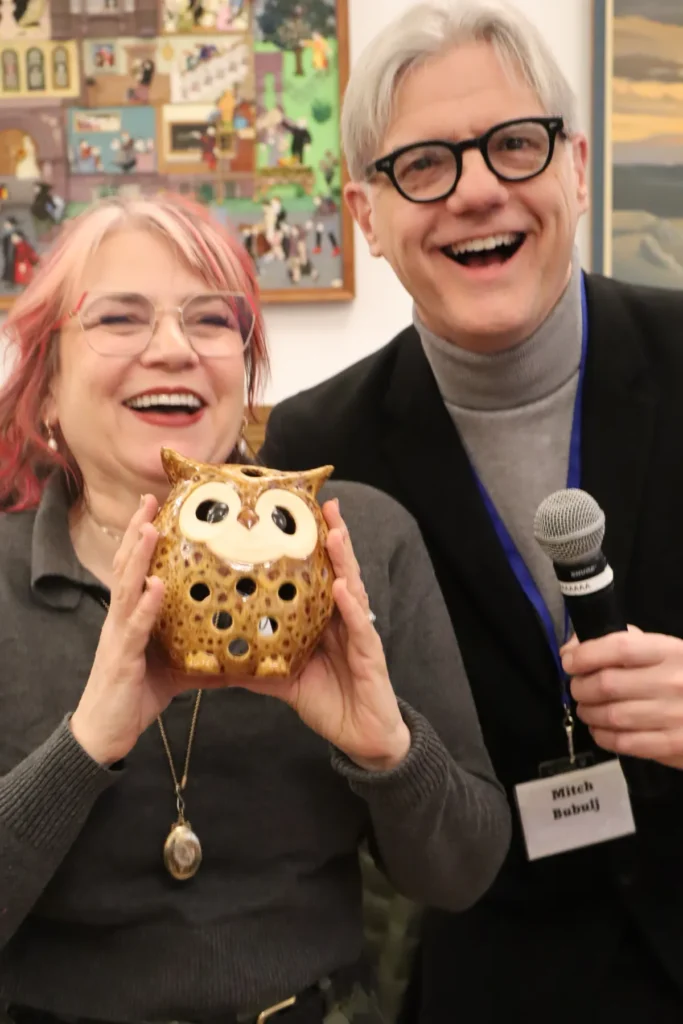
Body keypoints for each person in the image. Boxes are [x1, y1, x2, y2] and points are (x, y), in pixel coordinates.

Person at [259, 1, 683, 1022]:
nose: (476, 189)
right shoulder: (311, 457)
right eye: (422, 165)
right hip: (495, 978)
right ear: (364, 214)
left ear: (574, 168)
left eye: (513, 144)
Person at [0, 191, 510, 1024]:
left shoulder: (356, 542)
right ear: (46, 387)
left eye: (210, 321)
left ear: (243, 374)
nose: (171, 349)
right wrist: (87, 742)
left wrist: (389, 749)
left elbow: (461, 873)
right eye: (120, 319)